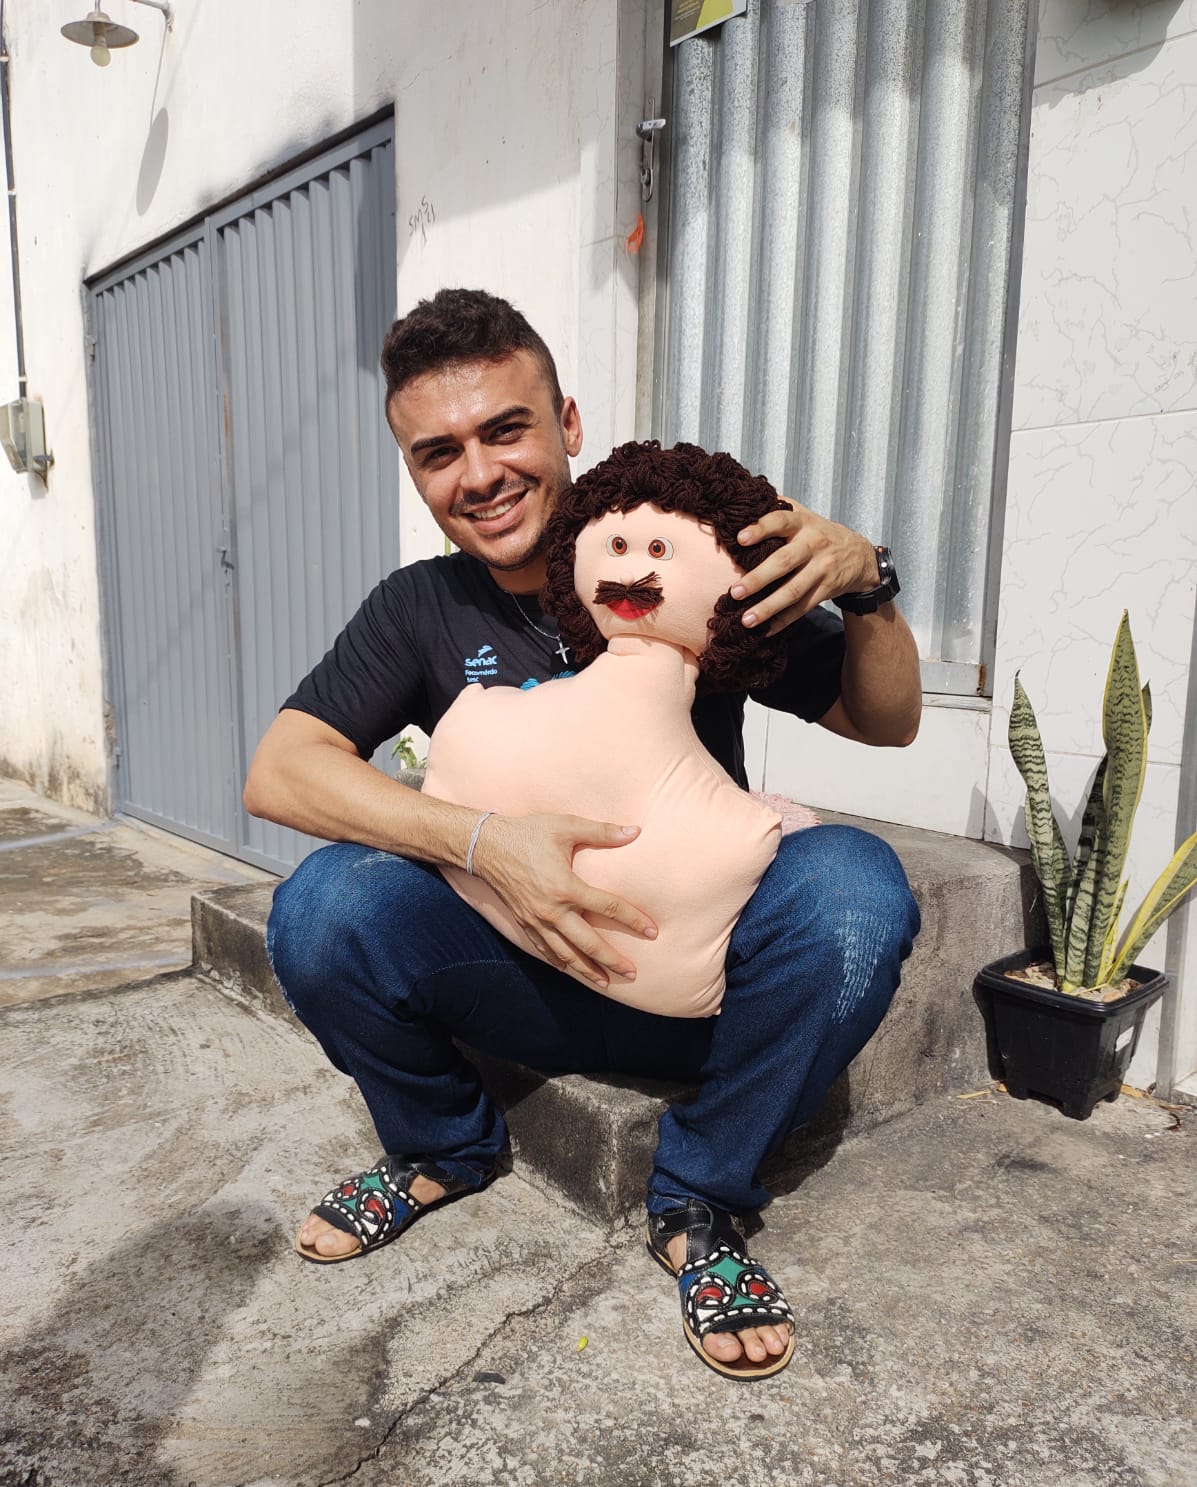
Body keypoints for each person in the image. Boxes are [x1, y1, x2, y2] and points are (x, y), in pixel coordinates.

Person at [245, 287, 922, 1381]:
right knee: (324, 905)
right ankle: (442, 1146)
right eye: (437, 453)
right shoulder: (419, 607)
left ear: (566, 423)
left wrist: (872, 587)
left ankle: (699, 1197)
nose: (478, 474)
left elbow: (883, 722)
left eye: (504, 430)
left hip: (701, 982)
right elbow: (281, 769)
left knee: (854, 889)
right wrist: (479, 841)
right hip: (520, 980)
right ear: (413, 470)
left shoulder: (677, 558)